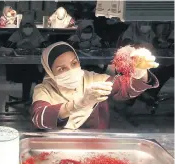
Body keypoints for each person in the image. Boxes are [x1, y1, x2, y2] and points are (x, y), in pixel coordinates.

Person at [31, 42, 159, 130]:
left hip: (95, 142)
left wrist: (140, 73)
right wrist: (78, 103)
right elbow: (39, 118)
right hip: (57, 144)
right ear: (50, 72)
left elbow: (125, 89)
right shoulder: (44, 90)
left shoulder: (92, 80)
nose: (71, 70)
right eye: (61, 69)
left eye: (74, 63)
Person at [5, 16, 48, 103]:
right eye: (25, 26)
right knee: (29, 73)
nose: (27, 28)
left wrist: (35, 46)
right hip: (17, 66)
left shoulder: (36, 34)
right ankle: (28, 99)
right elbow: (7, 46)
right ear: (21, 26)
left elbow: (46, 46)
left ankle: (35, 98)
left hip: (32, 65)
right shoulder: (17, 34)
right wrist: (18, 44)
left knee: (36, 73)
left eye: (30, 26)